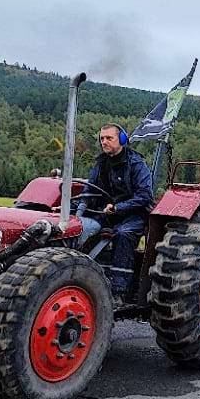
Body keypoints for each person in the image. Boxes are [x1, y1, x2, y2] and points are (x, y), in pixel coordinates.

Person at [76, 123, 154, 302]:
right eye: (102, 138)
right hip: (107, 212)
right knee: (81, 227)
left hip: (134, 213)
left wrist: (119, 207)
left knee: (123, 234)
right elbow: (89, 190)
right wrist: (77, 213)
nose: (104, 142)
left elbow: (144, 196)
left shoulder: (136, 163)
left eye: (109, 138)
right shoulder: (101, 162)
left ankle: (119, 291)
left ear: (122, 139)